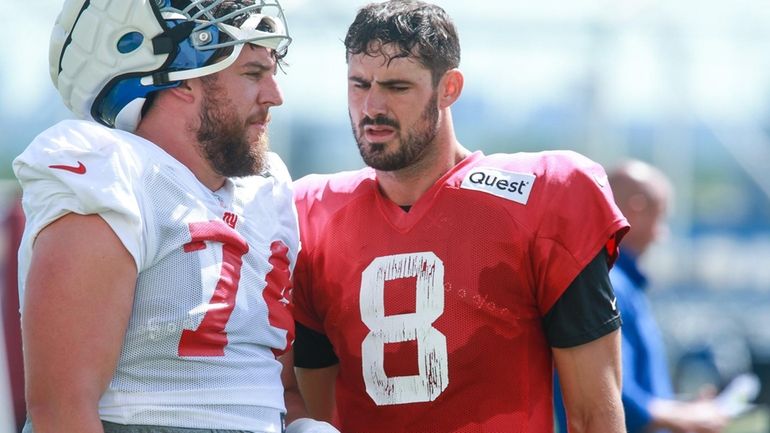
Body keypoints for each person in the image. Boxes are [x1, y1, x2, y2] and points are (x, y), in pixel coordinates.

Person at [289, 1, 629, 432]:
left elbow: (594, 414)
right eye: (359, 84)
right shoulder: (310, 215)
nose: (372, 106)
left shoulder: (543, 197)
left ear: (448, 88)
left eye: (397, 87)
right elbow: (306, 406)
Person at [13, 1, 336, 432]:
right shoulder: (114, 172)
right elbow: (61, 408)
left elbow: (279, 393)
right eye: (253, 74)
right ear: (185, 81)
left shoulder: (266, 191)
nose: (274, 96)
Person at [554, 159, 729, 433]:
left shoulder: (613, 281)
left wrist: (680, 411)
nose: (662, 234)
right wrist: (682, 417)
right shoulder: (608, 282)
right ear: (635, 211)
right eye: (660, 217)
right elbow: (607, 393)